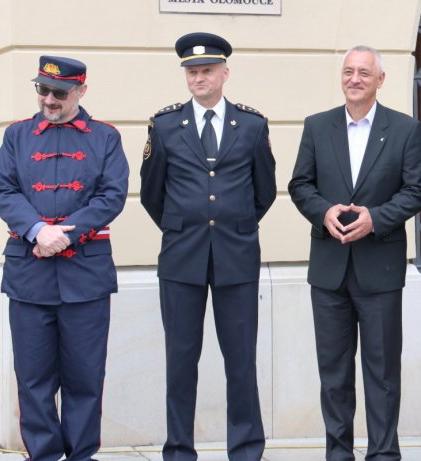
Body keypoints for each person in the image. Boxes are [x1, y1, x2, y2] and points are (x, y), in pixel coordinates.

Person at [140, 32, 276, 461]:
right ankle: (179, 450)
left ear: (224, 74)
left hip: (236, 258)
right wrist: (184, 227)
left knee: (241, 363)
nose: (199, 78)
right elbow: (151, 194)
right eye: (192, 72)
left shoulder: (252, 125)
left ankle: (247, 450)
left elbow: (265, 191)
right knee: (181, 363)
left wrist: (232, 227)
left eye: (206, 71)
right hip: (182, 259)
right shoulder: (164, 126)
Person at [288, 45, 421, 461]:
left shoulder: (403, 129)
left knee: (383, 373)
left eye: (364, 73)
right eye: (348, 71)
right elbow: (300, 185)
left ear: (380, 80)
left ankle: (384, 454)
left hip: (379, 268)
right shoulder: (317, 126)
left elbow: (417, 190)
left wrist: (377, 218)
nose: (354, 79)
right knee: (333, 373)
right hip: (329, 271)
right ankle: (338, 453)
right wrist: (323, 210)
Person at [0, 55, 129, 461]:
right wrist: (37, 230)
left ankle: (82, 455)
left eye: (60, 92)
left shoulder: (105, 137)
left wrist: (62, 237)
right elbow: (2, 189)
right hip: (28, 274)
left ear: (81, 91)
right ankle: (44, 456)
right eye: (43, 89)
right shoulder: (17, 135)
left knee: (85, 378)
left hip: (85, 276)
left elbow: (111, 195)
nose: (49, 99)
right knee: (33, 379)